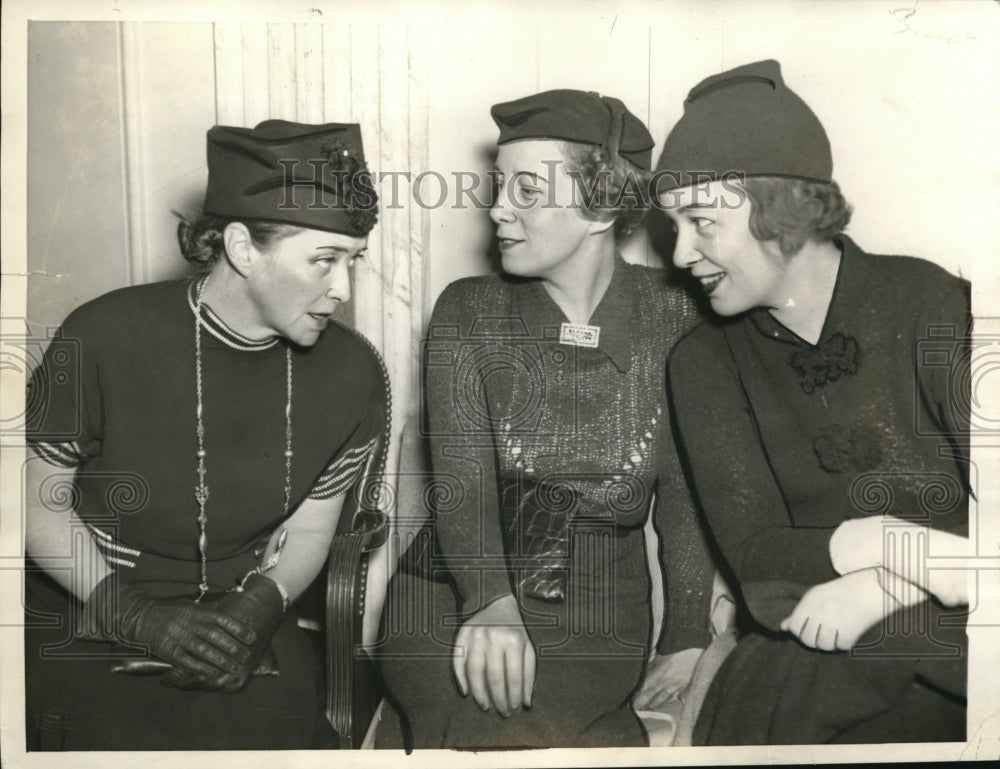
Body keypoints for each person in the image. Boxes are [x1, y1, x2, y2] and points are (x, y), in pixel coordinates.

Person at [23, 119, 388, 750]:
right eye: (324, 261)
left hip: (240, 611)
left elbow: (307, 530)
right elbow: (35, 505)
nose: (343, 290)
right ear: (243, 247)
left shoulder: (352, 372)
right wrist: (135, 617)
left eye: (353, 261)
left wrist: (258, 611)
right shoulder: (106, 334)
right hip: (88, 596)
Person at [376, 89, 716, 749]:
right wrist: (489, 602)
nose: (498, 208)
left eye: (526, 190)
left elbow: (684, 502)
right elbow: (462, 482)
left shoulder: (676, 318)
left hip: (598, 608)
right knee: (463, 712)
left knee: (531, 726)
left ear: (602, 205)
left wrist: (686, 634)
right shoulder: (468, 310)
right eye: (501, 185)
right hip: (451, 586)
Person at [656, 60, 971, 744]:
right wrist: (894, 550)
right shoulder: (703, 363)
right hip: (808, 629)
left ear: (783, 209)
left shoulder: (929, 303)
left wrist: (891, 588)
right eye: (673, 226)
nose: (681, 253)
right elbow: (757, 555)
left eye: (702, 222)